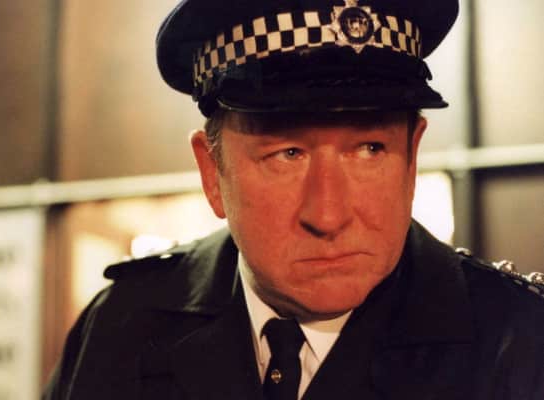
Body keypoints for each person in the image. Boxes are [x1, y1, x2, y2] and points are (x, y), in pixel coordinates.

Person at [43, 0, 544, 399]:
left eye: (369, 149)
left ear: (412, 159)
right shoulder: (122, 324)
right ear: (212, 173)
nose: (328, 215)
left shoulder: (520, 343)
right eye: (287, 154)